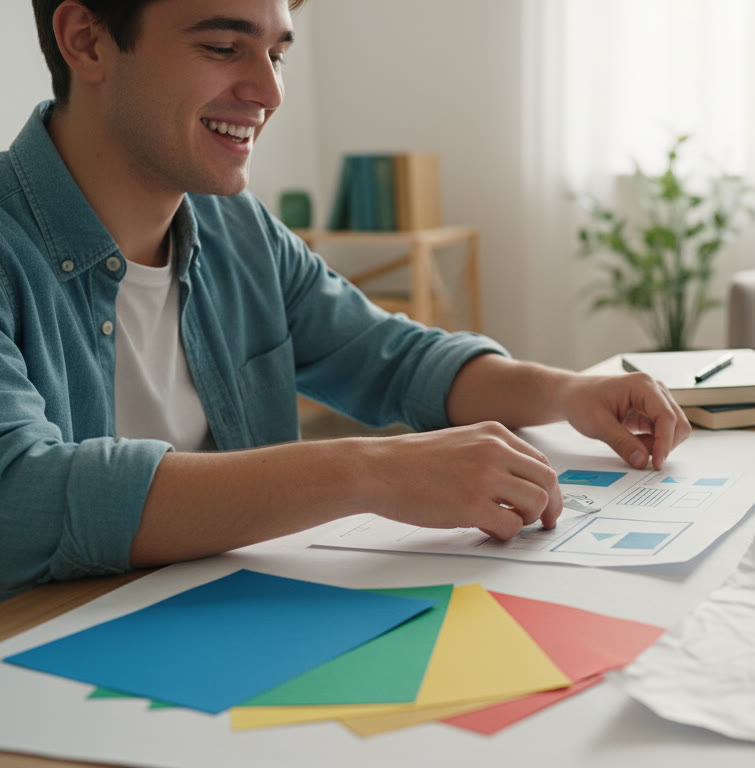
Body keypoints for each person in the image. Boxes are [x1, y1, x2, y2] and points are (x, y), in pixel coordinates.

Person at [0, 0, 691, 598]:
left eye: (277, 52)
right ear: (86, 41)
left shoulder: (237, 230)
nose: (268, 91)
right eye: (221, 47)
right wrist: (369, 471)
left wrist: (567, 393)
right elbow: (19, 496)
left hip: (233, 623)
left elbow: (394, 360)